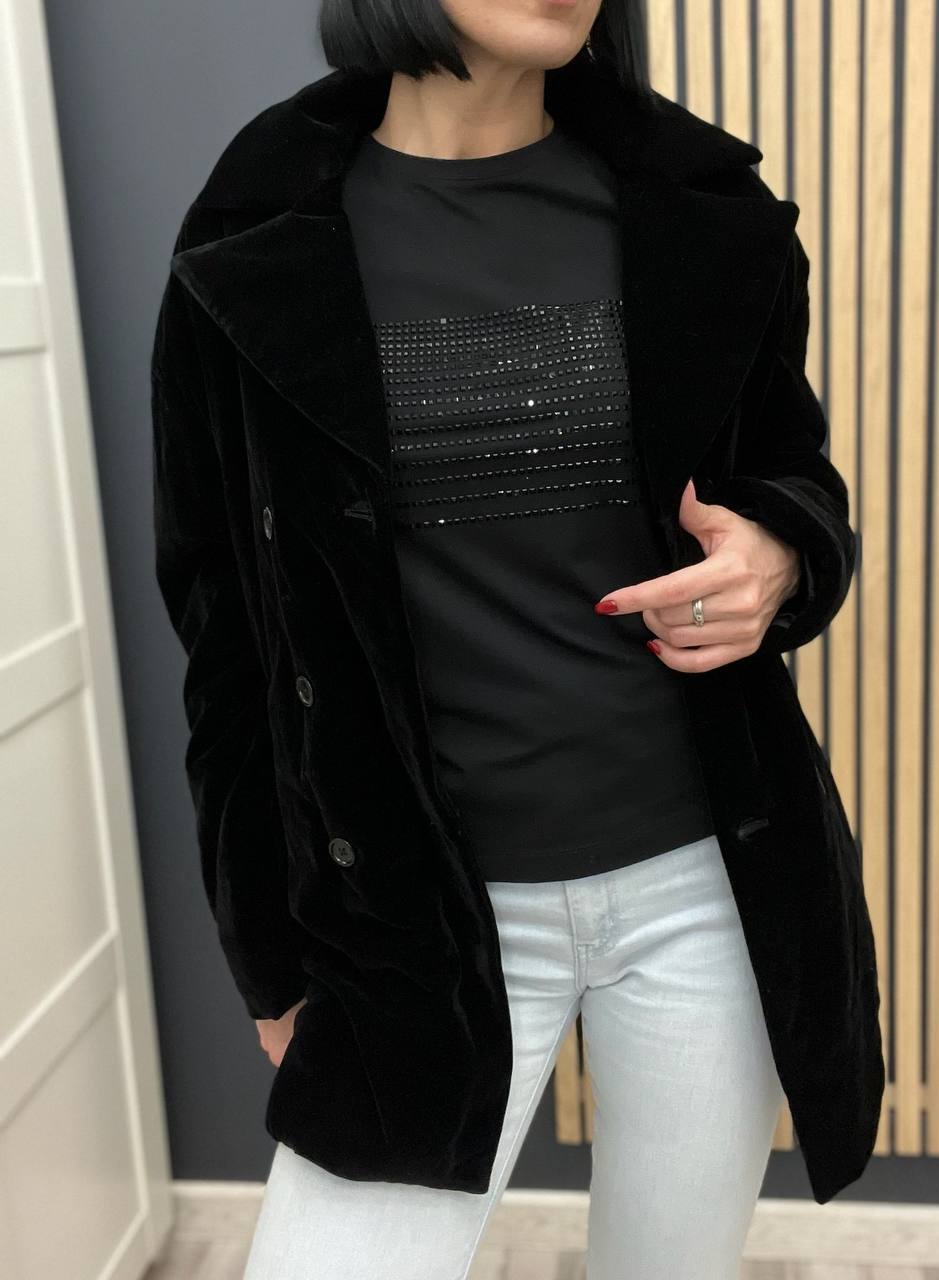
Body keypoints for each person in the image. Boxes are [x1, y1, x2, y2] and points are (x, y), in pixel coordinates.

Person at [151, 1, 882, 1277]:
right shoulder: (252, 239)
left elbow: (788, 473)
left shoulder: (695, 208)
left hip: (702, 882)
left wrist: (782, 552)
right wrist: (269, 951)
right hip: (413, 912)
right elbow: (222, 628)